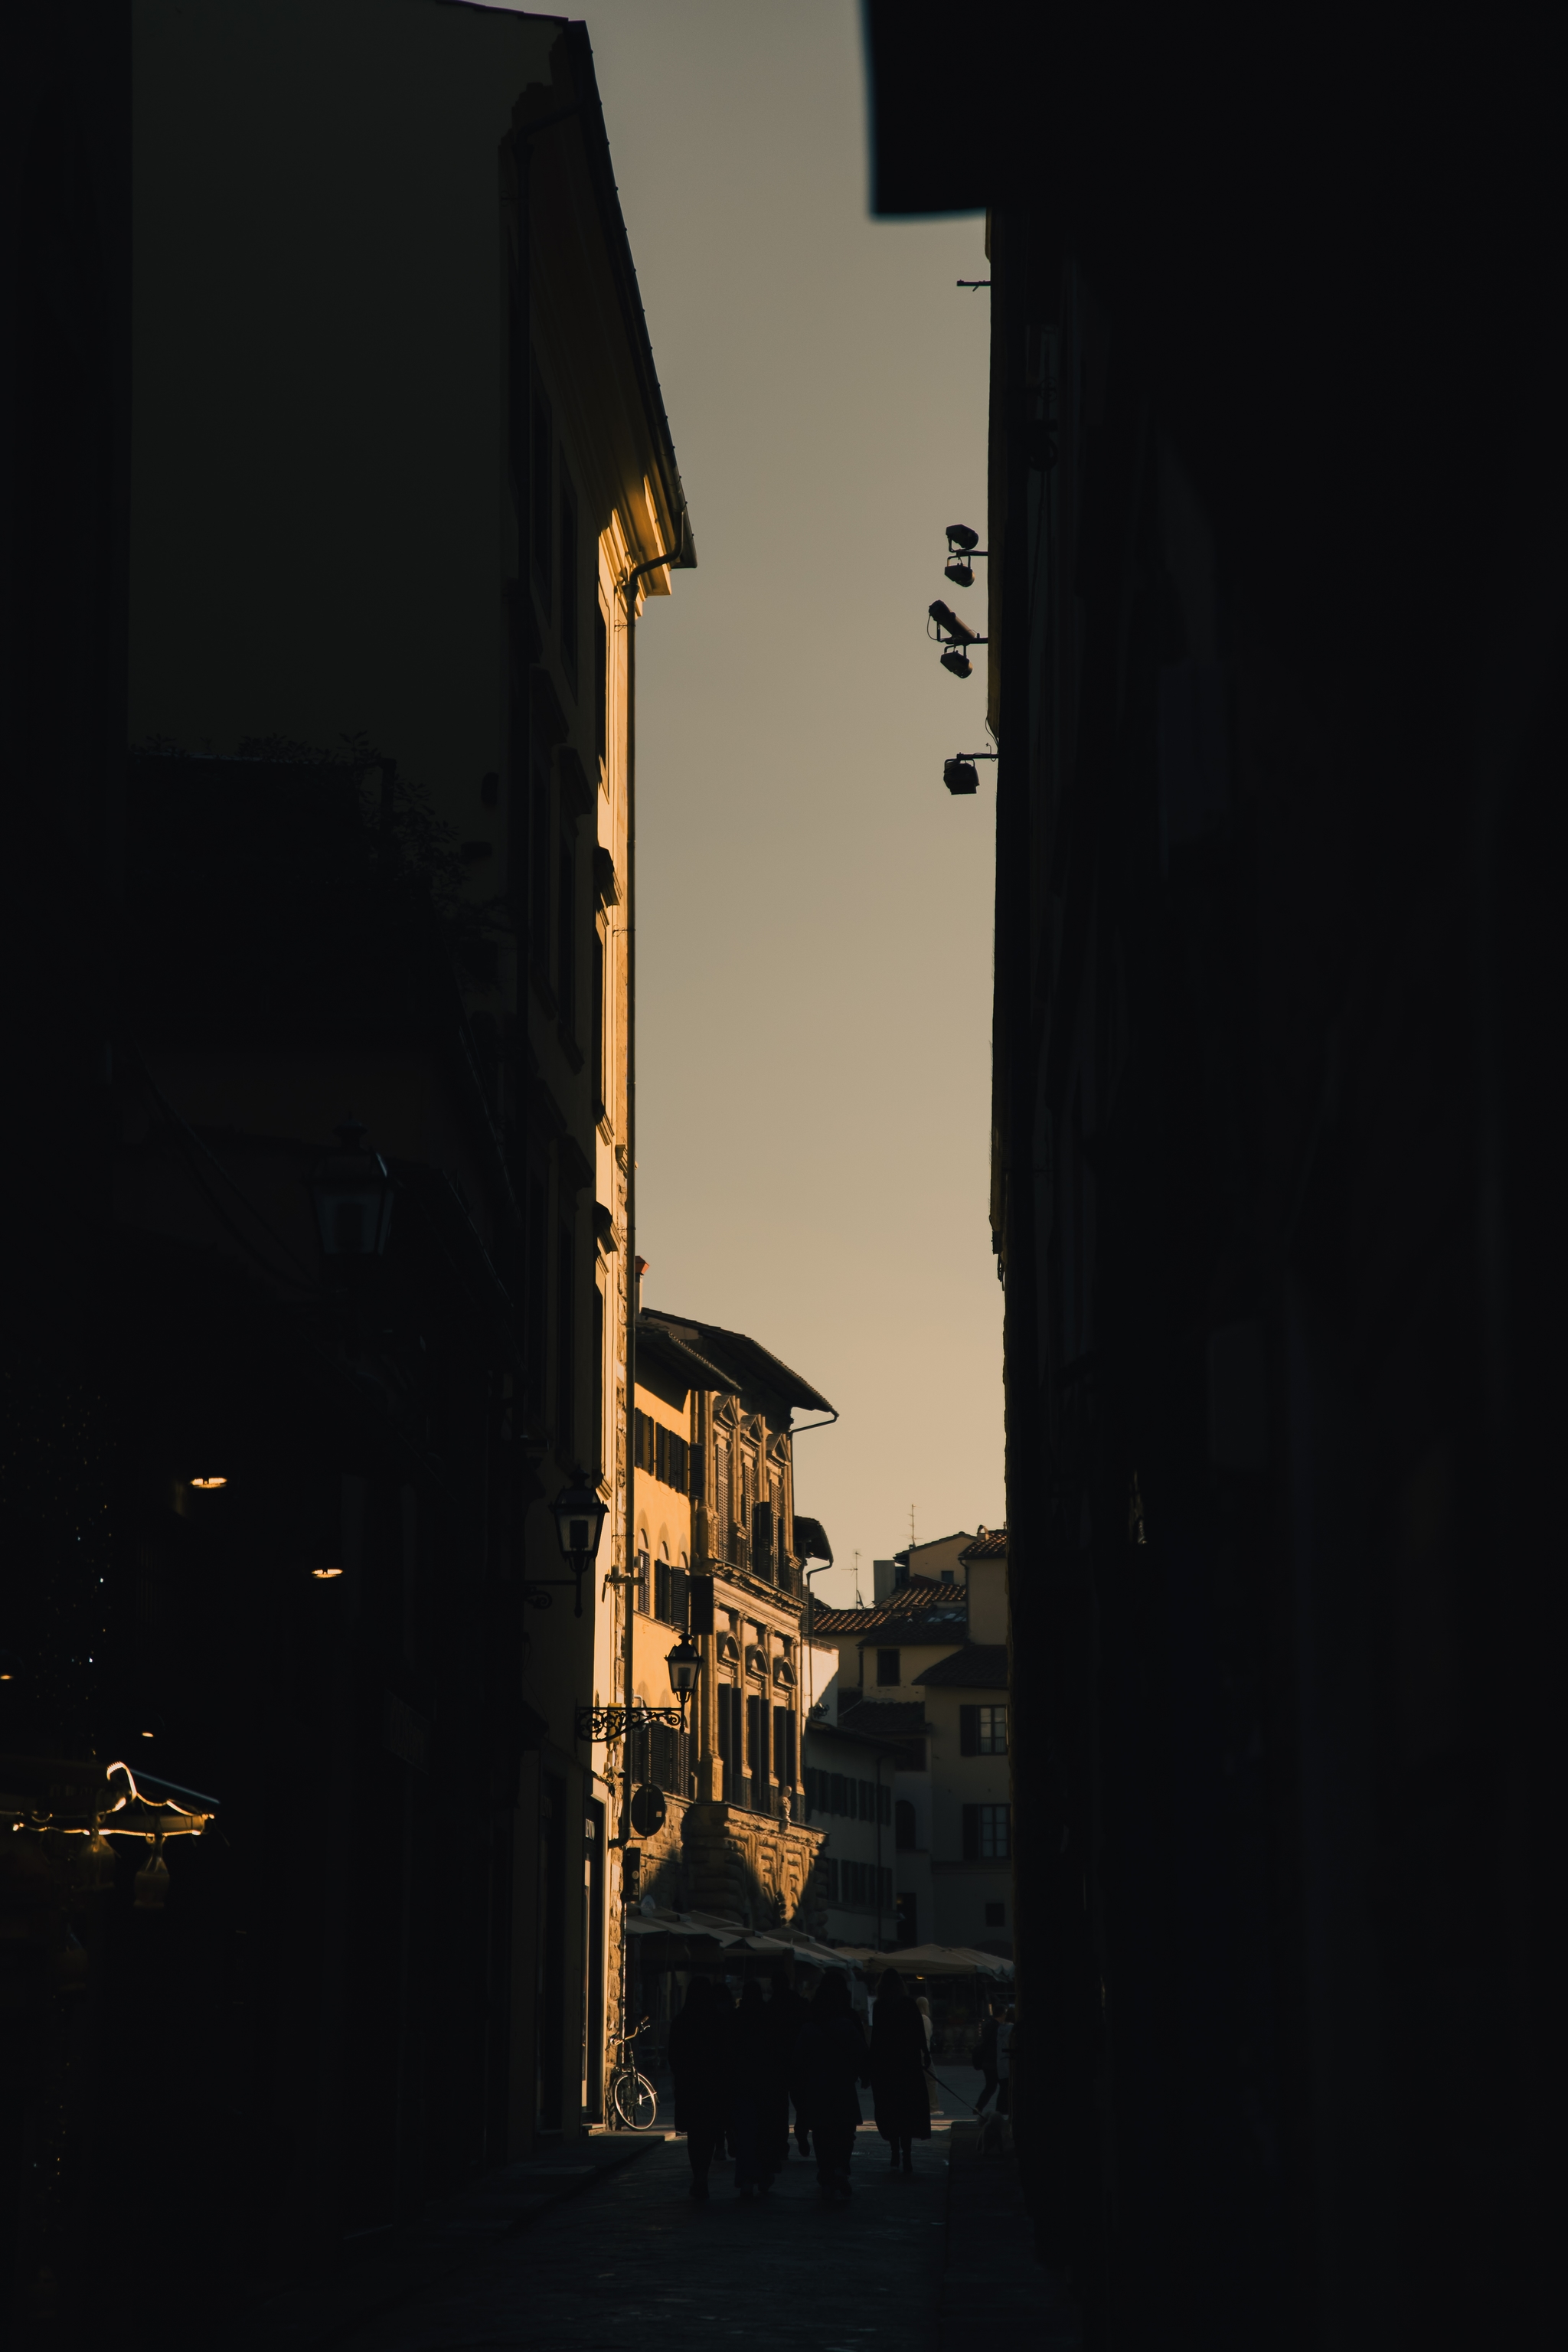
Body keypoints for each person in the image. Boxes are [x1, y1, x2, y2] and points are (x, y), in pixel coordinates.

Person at [791, 1971, 871, 2203]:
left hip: (817, 2090)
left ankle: (826, 2175)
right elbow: (860, 2053)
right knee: (845, 2132)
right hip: (843, 2087)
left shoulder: (808, 2029)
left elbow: (798, 2062)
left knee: (823, 2135)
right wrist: (865, 2074)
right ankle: (840, 2169)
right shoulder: (847, 2026)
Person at [668, 1976, 730, 2200]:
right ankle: (702, 2174)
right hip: (712, 2085)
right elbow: (726, 2054)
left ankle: (699, 2175)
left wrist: (682, 2074)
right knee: (710, 2130)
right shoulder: (718, 2021)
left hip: (690, 2085)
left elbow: (673, 2055)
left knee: (695, 2133)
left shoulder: (681, 2021)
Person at [869, 1966, 931, 2173]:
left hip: (887, 2067)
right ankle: (907, 2155)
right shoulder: (909, 2005)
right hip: (908, 2066)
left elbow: (876, 2039)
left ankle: (895, 2151)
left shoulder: (879, 2007)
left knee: (890, 2109)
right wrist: (926, 2053)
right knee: (907, 2110)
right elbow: (919, 2033)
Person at [728, 1979, 784, 2200]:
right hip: (765, 2085)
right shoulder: (769, 2017)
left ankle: (747, 2179)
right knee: (764, 2133)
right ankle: (764, 2175)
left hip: (742, 2085)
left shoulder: (737, 2018)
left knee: (745, 2134)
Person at [766, 1966, 810, 2164]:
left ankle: (782, 2144)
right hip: (799, 2061)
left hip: (778, 2063)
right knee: (802, 2103)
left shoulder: (770, 2007)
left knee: (780, 2107)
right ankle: (801, 2131)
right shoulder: (799, 2003)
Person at [973, 2000, 1001, 2112]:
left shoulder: (988, 2025)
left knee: (990, 2087)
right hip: (995, 2061)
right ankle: (1001, 2109)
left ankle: (978, 2107)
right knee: (999, 2087)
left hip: (986, 2061)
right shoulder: (998, 2028)